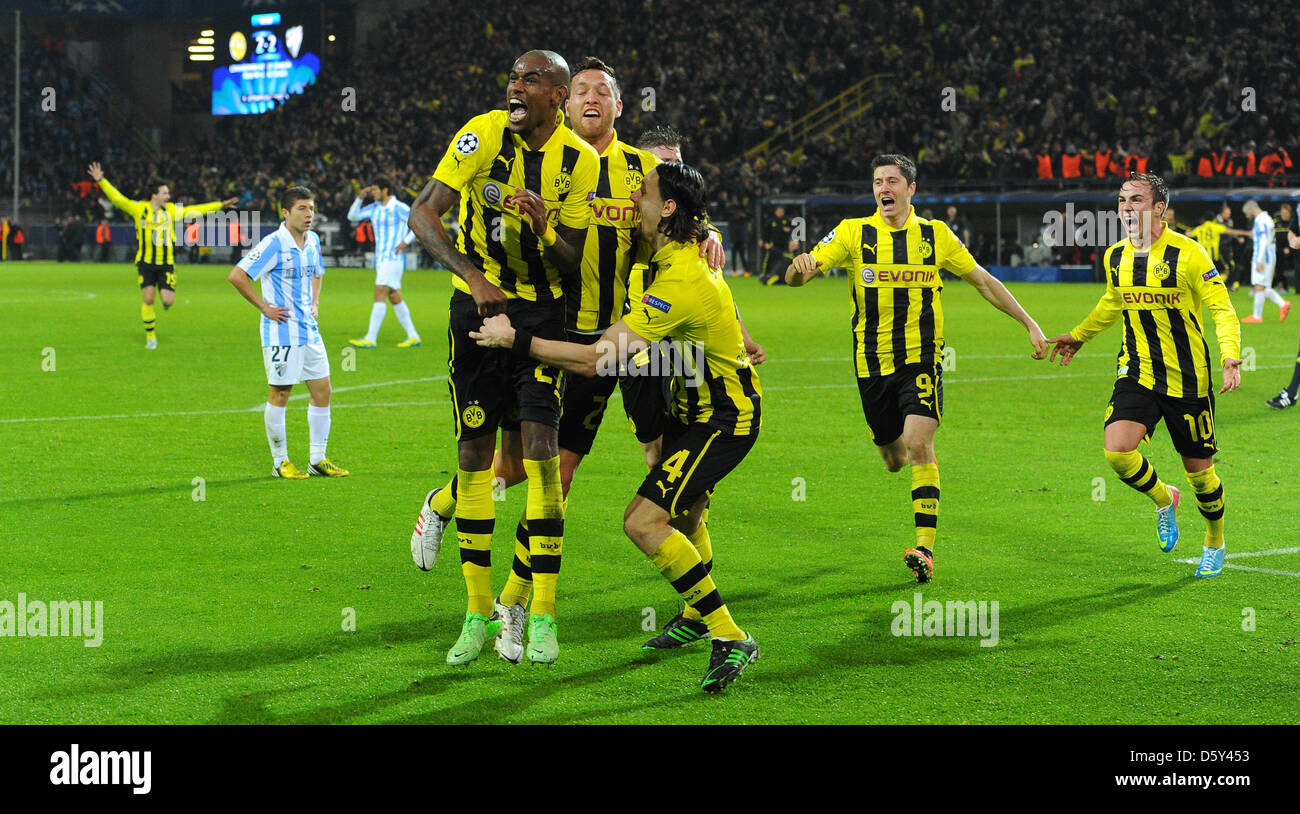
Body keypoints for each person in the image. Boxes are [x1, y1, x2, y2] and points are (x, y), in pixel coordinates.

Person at [471, 161, 761, 693]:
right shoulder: (669, 258)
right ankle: (698, 619)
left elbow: (594, 360)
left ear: (668, 209)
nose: (635, 203)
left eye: (644, 194)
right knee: (688, 513)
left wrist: (517, 340)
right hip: (691, 411)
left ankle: (730, 634)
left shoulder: (680, 278)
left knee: (643, 523)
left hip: (724, 418)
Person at [406, 50, 599, 667]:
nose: (515, 86)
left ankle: (541, 616)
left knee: (540, 462)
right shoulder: (483, 131)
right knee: (474, 457)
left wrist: (544, 229)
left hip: (542, 317)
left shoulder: (581, 160)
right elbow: (423, 213)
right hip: (476, 311)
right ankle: (475, 615)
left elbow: (571, 259)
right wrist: (473, 278)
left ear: (558, 95)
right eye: (512, 76)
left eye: (530, 79)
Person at [786, 154, 1048, 583]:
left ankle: (924, 550)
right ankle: (906, 474)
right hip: (871, 365)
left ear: (911, 189)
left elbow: (982, 280)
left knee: (918, 444)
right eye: (876, 181)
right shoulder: (854, 232)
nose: (883, 188)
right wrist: (798, 272)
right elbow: (803, 274)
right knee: (894, 459)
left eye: (891, 180)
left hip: (922, 359)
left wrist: (1030, 323)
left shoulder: (936, 235)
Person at [1047, 173, 1241, 578]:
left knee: (1201, 475)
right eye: (1122, 200)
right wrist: (1079, 336)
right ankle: (1164, 499)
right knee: (1117, 451)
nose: (1127, 207)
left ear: (1158, 209)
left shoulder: (1189, 255)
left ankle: (1214, 539)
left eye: (1136, 199)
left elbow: (1222, 308)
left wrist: (1230, 357)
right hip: (1137, 369)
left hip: (1189, 378)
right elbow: (1111, 303)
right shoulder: (1115, 256)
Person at [226, 186, 349, 480]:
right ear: (285, 212)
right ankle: (280, 462)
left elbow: (318, 272)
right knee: (280, 393)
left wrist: (315, 302)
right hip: (281, 332)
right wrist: (265, 308)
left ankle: (317, 459)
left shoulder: (314, 240)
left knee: (323, 392)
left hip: (309, 329)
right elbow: (237, 275)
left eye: (312, 209)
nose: (309, 215)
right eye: (302, 209)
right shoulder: (273, 244)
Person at [88, 161, 237, 349]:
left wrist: (220, 205)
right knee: (148, 299)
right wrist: (101, 180)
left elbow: (194, 210)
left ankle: (167, 297)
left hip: (166, 263)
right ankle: (151, 337)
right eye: (165, 193)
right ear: (155, 195)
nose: (169, 196)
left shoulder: (172, 211)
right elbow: (118, 199)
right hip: (145, 263)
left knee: (167, 300)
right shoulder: (139, 209)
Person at [346, 176, 421, 348]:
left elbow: (418, 223)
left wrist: (405, 242)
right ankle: (413, 336)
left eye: (375, 189)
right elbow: (352, 216)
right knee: (394, 296)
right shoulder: (374, 208)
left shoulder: (398, 207)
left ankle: (370, 338)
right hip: (381, 259)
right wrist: (359, 198)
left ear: (385, 190)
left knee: (379, 292)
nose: (372, 193)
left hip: (393, 258)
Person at [1240, 199, 1290, 323]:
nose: (1247, 216)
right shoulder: (1267, 219)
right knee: (1262, 286)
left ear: (1251, 209)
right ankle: (1282, 304)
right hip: (1269, 256)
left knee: (1259, 285)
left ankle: (1257, 316)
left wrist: (1259, 260)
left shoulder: (1261, 220)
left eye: (1247, 213)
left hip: (1265, 257)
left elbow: (1263, 241)